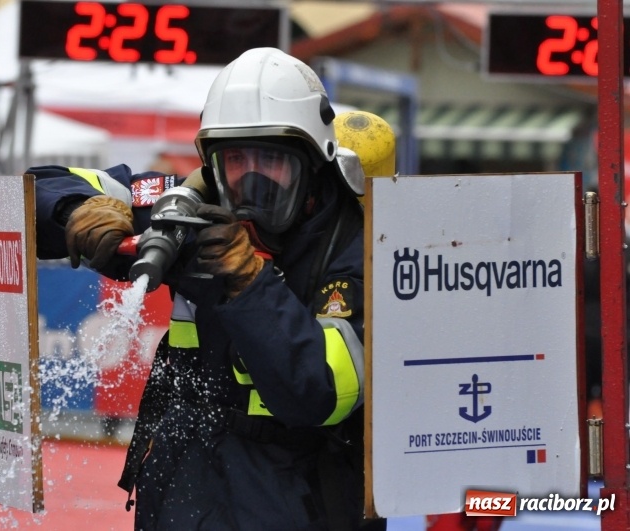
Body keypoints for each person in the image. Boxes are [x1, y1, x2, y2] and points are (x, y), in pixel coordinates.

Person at [33, 47, 382, 530]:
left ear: (313, 162)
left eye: (272, 161)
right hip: (186, 483)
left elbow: (320, 393)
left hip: (299, 495)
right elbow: (33, 186)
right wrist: (74, 209)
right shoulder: (188, 211)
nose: (252, 180)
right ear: (212, 164)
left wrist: (249, 283)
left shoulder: (359, 243)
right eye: (236, 159)